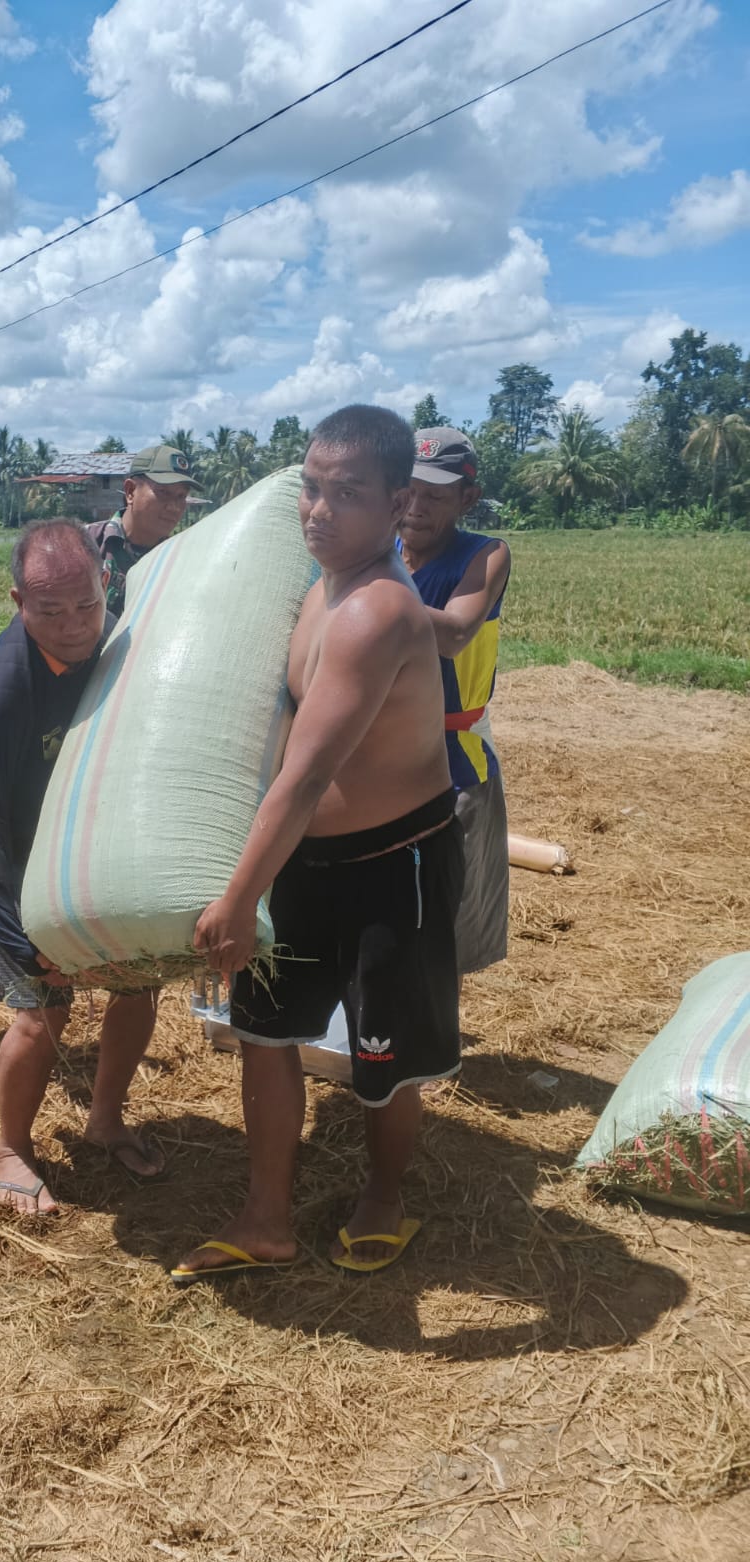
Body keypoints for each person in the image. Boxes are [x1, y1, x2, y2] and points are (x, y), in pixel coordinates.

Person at [174, 405, 463, 1284]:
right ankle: (267, 1219)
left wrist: (236, 898)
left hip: (395, 865)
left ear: (398, 502)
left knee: (384, 1054)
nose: (319, 511)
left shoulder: (379, 613)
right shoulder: (318, 590)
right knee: (264, 1032)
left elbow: (304, 776)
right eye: (311, 488)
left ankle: (384, 1196)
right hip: (306, 860)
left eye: (348, 494)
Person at [0, 519, 164, 1214]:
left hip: (96, 838)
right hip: (19, 856)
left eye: (86, 604)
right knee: (43, 1007)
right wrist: (22, 937)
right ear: (18, 602)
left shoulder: (120, 641)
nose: (74, 625)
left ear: (106, 583)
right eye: (50, 611)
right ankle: (11, 1149)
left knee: (137, 984)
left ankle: (106, 1120)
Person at [401, 428, 511, 977]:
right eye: (408, 490)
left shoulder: (484, 555)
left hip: (452, 762)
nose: (416, 507)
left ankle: (433, 1021)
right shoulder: (378, 553)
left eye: (435, 495)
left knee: (445, 926)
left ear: (468, 498)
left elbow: (456, 633)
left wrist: (360, 593)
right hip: (378, 757)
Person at [86, 444, 202, 617]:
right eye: (163, 492)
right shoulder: (84, 544)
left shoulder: (181, 560)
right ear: (130, 491)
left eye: (181, 496)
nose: (174, 507)